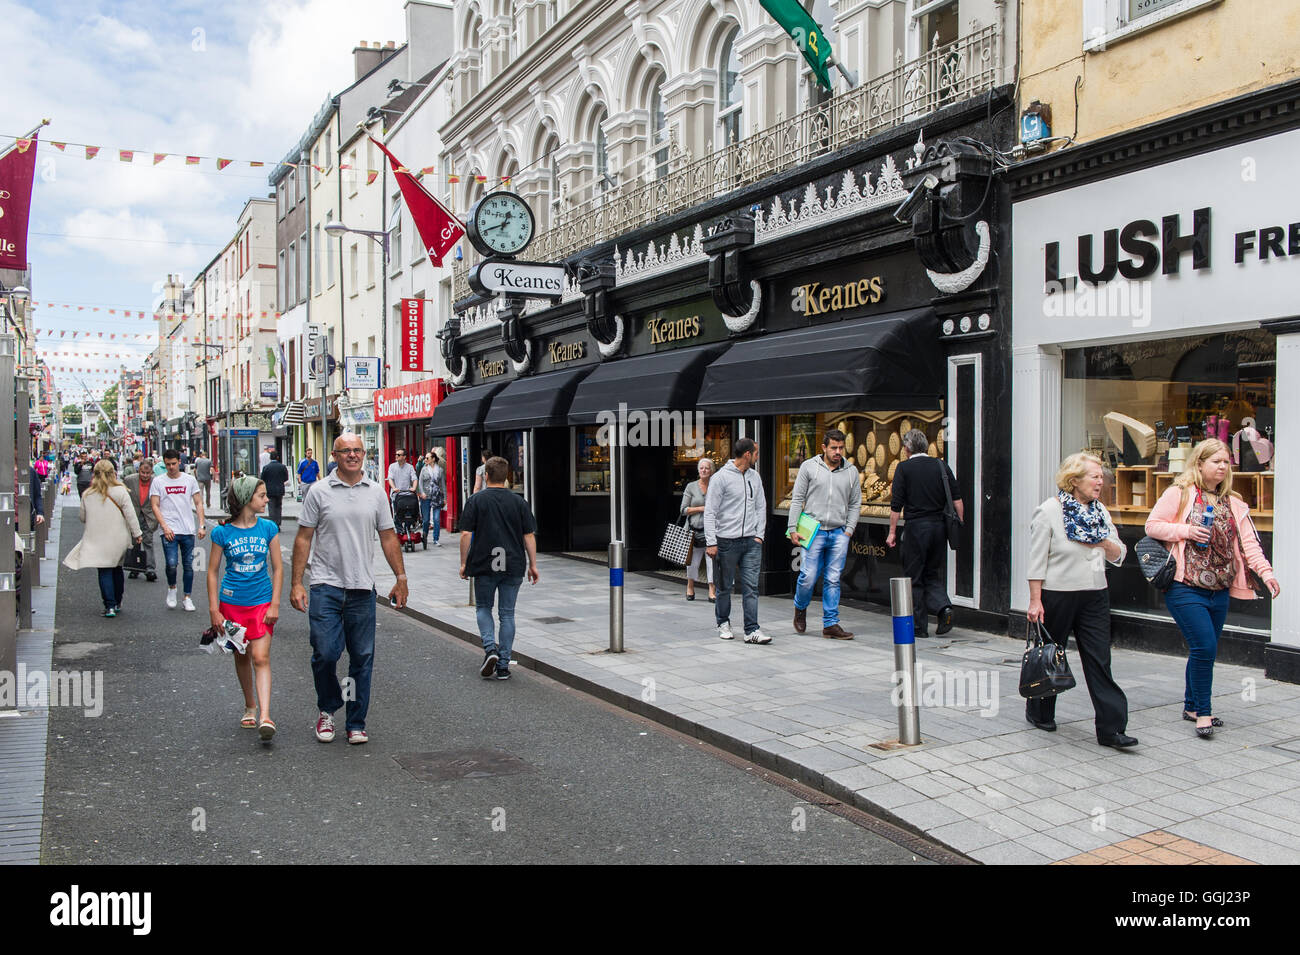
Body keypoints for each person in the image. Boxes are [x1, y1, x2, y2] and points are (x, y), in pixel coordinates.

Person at [1145, 439, 1280, 739]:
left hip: (1219, 590)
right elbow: (1152, 525)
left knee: (1201, 649)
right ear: (1199, 464)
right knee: (1206, 647)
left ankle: (1191, 705)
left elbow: (1249, 546)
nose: (1222, 466)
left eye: (1225, 462)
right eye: (1216, 461)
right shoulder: (1179, 493)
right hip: (1184, 586)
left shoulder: (1233, 502)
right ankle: (1204, 713)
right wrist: (1186, 530)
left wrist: (1266, 574)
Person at [290, 432, 409, 745]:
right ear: (335, 455)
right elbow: (303, 537)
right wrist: (296, 583)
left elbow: (387, 536)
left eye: (358, 450)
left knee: (361, 659)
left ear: (363, 455)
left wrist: (401, 577)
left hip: (361, 588)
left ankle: (355, 722)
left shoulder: (376, 493)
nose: (353, 455)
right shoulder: (318, 492)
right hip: (325, 586)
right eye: (346, 451)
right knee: (326, 654)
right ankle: (328, 708)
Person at [1027, 452, 1136, 748]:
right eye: (1095, 476)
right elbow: (1036, 561)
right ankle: (1039, 710)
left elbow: (1120, 555)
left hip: (1095, 595)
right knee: (1051, 656)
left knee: (1100, 660)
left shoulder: (1101, 512)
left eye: (1102, 476)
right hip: (1057, 595)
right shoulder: (1049, 510)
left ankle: (1112, 729)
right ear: (1074, 480)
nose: (1101, 481)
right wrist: (1035, 601)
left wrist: (1103, 543)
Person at [207, 476, 283, 741]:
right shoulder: (222, 532)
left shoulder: (268, 528)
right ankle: (250, 705)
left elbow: (278, 567)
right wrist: (214, 609)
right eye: (261, 495)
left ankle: (265, 715)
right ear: (246, 498)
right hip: (232, 604)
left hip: (261, 602)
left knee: (260, 657)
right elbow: (213, 572)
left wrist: (275, 603)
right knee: (241, 656)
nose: (266, 499)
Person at [459, 456, 539, 680]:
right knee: (507, 614)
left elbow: (465, 534)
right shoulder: (519, 502)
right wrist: (533, 564)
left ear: (486, 476)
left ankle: (489, 649)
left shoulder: (476, 500)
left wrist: (464, 562)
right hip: (513, 564)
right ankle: (503, 665)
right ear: (506, 477)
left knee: (483, 607)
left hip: (484, 563)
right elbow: (528, 535)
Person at [887, 430, 964, 637]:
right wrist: (959, 524)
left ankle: (920, 627)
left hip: (916, 529)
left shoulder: (904, 468)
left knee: (915, 577)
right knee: (931, 572)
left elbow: (896, 506)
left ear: (906, 448)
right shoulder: (941, 465)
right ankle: (944, 608)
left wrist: (892, 532)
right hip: (939, 528)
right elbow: (957, 500)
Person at [788, 429, 861, 639]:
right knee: (808, 577)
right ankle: (800, 607)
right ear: (824, 448)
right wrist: (793, 527)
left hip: (839, 532)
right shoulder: (809, 467)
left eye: (841, 448)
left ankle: (830, 623)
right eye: (833, 448)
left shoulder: (851, 471)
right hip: (814, 530)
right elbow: (797, 498)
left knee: (833, 579)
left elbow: (855, 503)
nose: (838, 452)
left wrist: (849, 530)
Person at [704, 438, 769, 644]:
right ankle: (723, 622)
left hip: (751, 541)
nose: (757, 457)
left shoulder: (755, 477)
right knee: (725, 586)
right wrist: (711, 541)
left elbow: (761, 507)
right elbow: (710, 512)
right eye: (756, 453)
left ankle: (751, 630)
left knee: (751, 587)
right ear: (748, 455)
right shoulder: (721, 478)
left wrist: (759, 536)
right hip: (725, 542)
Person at [63, 460, 142, 618]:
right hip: (118, 538)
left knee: (104, 570)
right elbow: (131, 515)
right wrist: (137, 534)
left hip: (97, 538)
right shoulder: (121, 491)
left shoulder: (88, 494)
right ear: (113, 472)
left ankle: (109, 606)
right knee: (117, 569)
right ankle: (118, 602)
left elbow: (82, 517)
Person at [150, 448, 206, 611]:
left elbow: (198, 502)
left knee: (189, 565)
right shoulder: (159, 481)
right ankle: (172, 588)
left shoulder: (189, 480)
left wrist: (201, 525)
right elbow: (155, 505)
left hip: (187, 529)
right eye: (168, 465)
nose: (171, 467)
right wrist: (164, 527)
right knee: (172, 563)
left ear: (179, 462)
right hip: (169, 529)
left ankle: (187, 597)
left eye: (174, 464)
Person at [679, 457, 716, 602]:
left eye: (707, 468)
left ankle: (712, 589)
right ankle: (690, 586)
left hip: (711, 531)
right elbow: (683, 509)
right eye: (701, 468)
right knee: (693, 562)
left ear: (711, 470)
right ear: (698, 470)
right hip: (693, 530)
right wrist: (702, 508)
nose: (704, 470)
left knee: (712, 562)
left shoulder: (715, 486)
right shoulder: (691, 487)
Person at [122, 456, 160, 581]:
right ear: (138, 471)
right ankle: (134, 568)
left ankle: (150, 569)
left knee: (148, 542)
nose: (145, 475)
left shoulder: (156, 482)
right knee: (134, 543)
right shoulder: (129, 480)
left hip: (149, 516)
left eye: (147, 473)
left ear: (151, 472)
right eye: (142, 472)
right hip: (134, 515)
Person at [417, 450, 446, 546]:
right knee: (426, 520)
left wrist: (445, 497)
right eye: (425, 458)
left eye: (427, 458)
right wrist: (422, 493)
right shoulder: (423, 469)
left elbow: (442, 485)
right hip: (426, 496)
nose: (425, 459)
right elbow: (420, 482)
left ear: (433, 459)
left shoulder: (440, 470)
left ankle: (436, 539)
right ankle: (424, 536)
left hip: (437, 496)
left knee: (436, 519)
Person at [260, 450, 290, 528]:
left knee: (271, 507)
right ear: (277, 457)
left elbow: (262, 478)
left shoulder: (266, 467)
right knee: (278, 506)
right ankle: (278, 523)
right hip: (280, 489)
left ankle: (273, 524)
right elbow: (286, 478)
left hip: (270, 490)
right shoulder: (282, 467)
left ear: (270, 458)